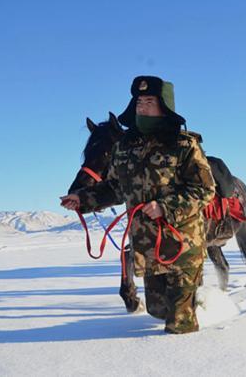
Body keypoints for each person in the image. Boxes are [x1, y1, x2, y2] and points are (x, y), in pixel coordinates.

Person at [60, 76, 215, 334]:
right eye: (139, 101)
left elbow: (204, 190)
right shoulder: (124, 147)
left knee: (178, 325)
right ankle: (201, 304)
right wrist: (83, 199)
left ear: (164, 106)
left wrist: (166, 206)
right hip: (148, 248)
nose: (142, 106)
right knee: (157, 310)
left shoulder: (184, 145)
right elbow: (115, 188)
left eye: (149, 101)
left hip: (182, 245)